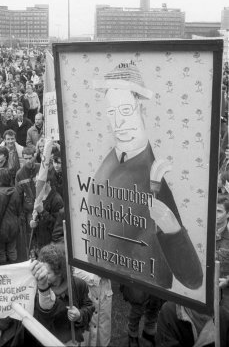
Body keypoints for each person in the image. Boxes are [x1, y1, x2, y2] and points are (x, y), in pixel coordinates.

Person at [90, 62, 204, 346]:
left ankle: (148, 336)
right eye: (111, 113)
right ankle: (134, 336)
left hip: (150, 281)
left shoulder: (158, 172)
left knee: (149, 314)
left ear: (143, 111)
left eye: (126, 111)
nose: (118, 122)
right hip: (125, 278)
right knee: (138, 313)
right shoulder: (105, 161)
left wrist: (172, 229)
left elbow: (192, 278)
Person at [30, 244, 95, 345]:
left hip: (73, 340)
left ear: (59, 272)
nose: (41, 275)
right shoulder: (37, 289)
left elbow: (89, 307)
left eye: (47, 273)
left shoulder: (78, 284)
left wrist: (80, 315)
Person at [0, 168, 22, 265]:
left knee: (0, 251)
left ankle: (4, 269)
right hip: (14, 226)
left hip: (1, 229)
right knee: (12, 249)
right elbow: (19, 210)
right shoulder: (15, 191)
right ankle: (15, 267)